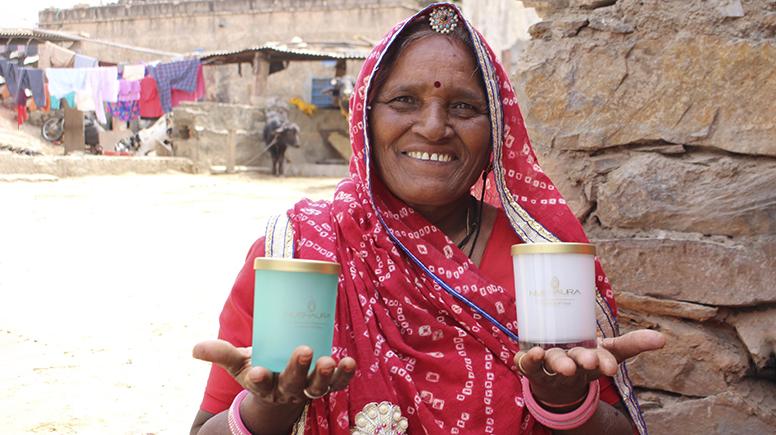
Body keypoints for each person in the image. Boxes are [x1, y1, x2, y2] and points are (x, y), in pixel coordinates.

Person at [190, 3, 665, 434]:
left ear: (496, 129)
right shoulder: (298, 251)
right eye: (404, 101)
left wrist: (563, 401)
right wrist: (273, 406)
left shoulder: (546, 265)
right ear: (366, 119)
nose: (434, 127)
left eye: (463, 106)